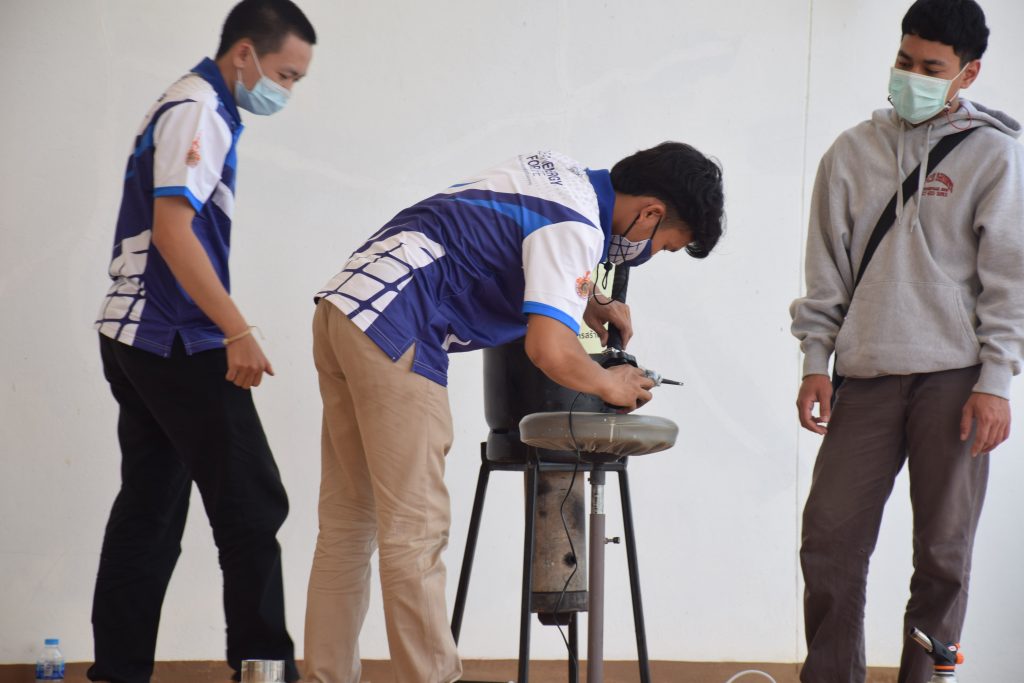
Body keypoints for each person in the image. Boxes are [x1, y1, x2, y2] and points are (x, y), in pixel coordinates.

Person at [302, 143, 724, 683]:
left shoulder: (557, 173)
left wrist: (582, 299)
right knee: (416, 529)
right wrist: (609, 382)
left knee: (348, 524)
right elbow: (549, 349)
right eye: (664, 245)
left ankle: (326, 675)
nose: (649, 252)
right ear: (650, 213)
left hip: (346, 307)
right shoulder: (577, 227)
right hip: (398, 325)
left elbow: (497, 242)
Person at [790, 1, 1024, 680]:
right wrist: (814, 361)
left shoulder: (995, 155)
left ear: (968, 73)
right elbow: (825, 272)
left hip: (956, 378)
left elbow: (1010, 280)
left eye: (931, 68)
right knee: (829, 539)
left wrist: (996, 382)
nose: (911, 77)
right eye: (904, 60)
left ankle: (925, 678)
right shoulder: (850, 153)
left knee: (944, 551)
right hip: (865, 375)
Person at [90, 2, 315, 681]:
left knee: (151, 509)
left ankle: (118, 672)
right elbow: (172, 230)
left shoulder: (192, 102)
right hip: (172, 335)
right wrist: (236, 329)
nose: (288, 90)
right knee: (252, 502)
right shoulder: (200, 109)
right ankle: (264, 669)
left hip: (136, 333)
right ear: (244, 53)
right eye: (285, 74)